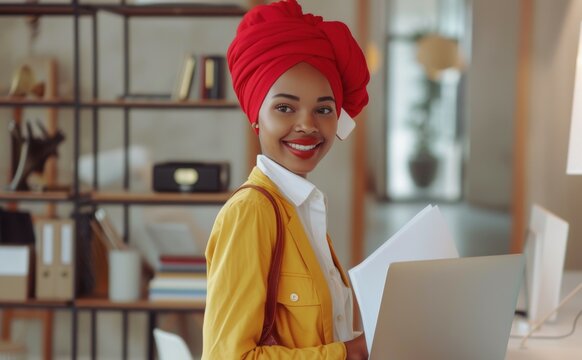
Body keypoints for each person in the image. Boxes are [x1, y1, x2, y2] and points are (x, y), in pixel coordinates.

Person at [202, 0, 370, 358]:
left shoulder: (304, 208)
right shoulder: (251, 214)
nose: (308, 124)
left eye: (323, 109)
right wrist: (349, 353)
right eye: (285, 107)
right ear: (256, 117)